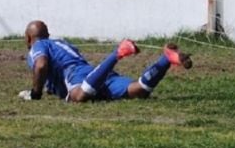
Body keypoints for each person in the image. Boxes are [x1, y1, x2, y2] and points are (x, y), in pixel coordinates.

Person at [19, 20, 192, 102]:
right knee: (139, 90)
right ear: (47, 34)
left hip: (77, 74)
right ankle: (166, 59)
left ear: (28, 38)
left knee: (79, 96)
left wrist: (36, 94)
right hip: (93, 73)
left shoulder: (38, 45)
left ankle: (118, 52)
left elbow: (41, 65)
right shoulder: (60, 43)